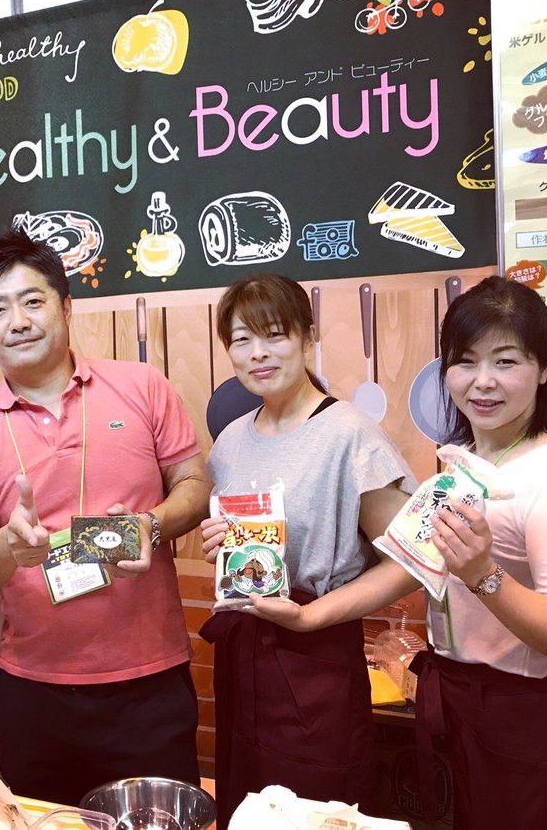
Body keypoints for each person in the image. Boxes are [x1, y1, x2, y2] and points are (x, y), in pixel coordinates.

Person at [0, 229, 210, 805]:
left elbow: (194, 486)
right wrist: (10, 546)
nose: (18, 321)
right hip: (33, 691)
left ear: (65, 306)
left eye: (32, 301)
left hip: (150, 682)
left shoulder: (142, 387)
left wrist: (151, 525)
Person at [196, 274, 415, 827]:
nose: (258, 353)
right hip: (242, 652)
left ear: (307, 337)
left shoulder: (349, 435)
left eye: (274, 334)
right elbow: (244, 542)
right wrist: (221, 546)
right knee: (247, 805)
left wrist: (311, 616)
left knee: (316, 808)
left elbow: (411, 562)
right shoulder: (231, 441)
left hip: (315, 654)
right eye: (242, 339)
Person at [406, 276, 547, 829]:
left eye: (505, 362)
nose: (482, 382)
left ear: (544, 369)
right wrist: (312, 616)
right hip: (462, 707)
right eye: (465, 361)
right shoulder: (465, 458)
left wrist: (482, 574)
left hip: (530, 723)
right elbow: (420, 560)